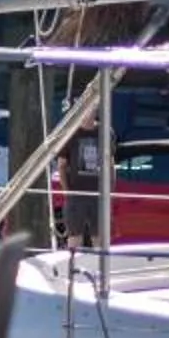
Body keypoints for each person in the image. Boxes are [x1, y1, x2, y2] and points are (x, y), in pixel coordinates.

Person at [61, 100, 105, 249]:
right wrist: (67, 192)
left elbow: (110, 163)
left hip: (98, 194)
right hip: (76, 194)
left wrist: (109, 190)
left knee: (100, 236)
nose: (88, 114)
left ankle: (101, 269)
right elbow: (61, 165)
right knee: (74, 236)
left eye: (91, 109)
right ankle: (72, 268)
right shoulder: (71, 134)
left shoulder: (105, 132)